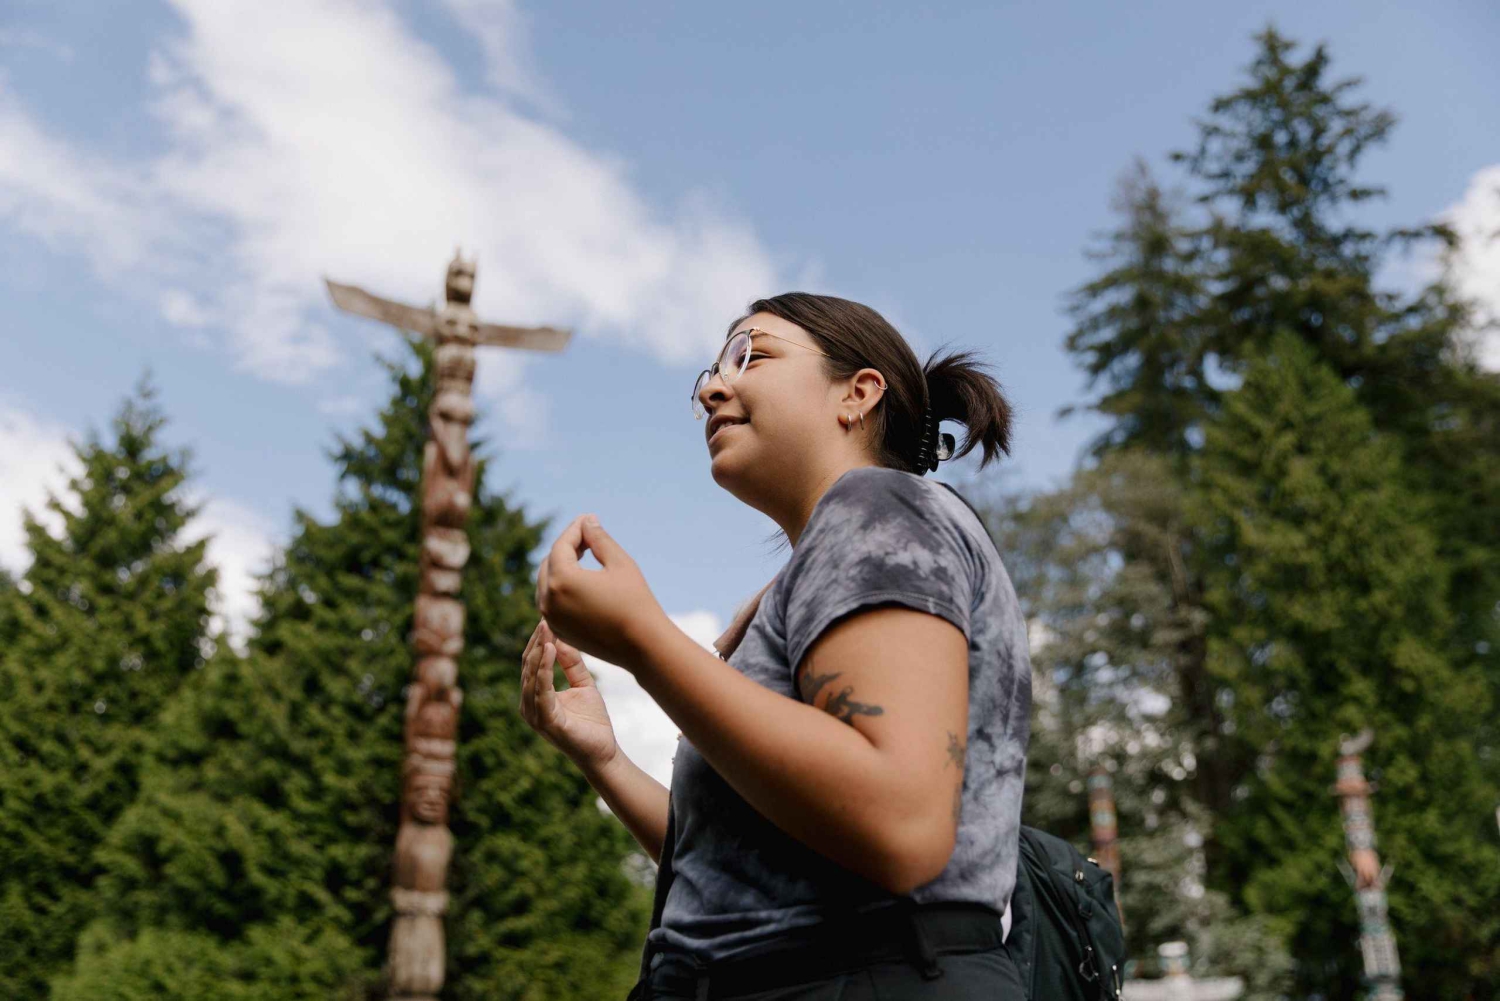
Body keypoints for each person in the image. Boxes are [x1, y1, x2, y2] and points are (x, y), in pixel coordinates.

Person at [518, 293, 1032, 999]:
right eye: (709, 370)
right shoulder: (824, 566)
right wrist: (604, 756)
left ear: (858, 393)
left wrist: (643, 639)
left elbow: (899, 822)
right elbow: (738, 862)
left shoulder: (877, 505)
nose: (710, 387)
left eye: (748, 355)